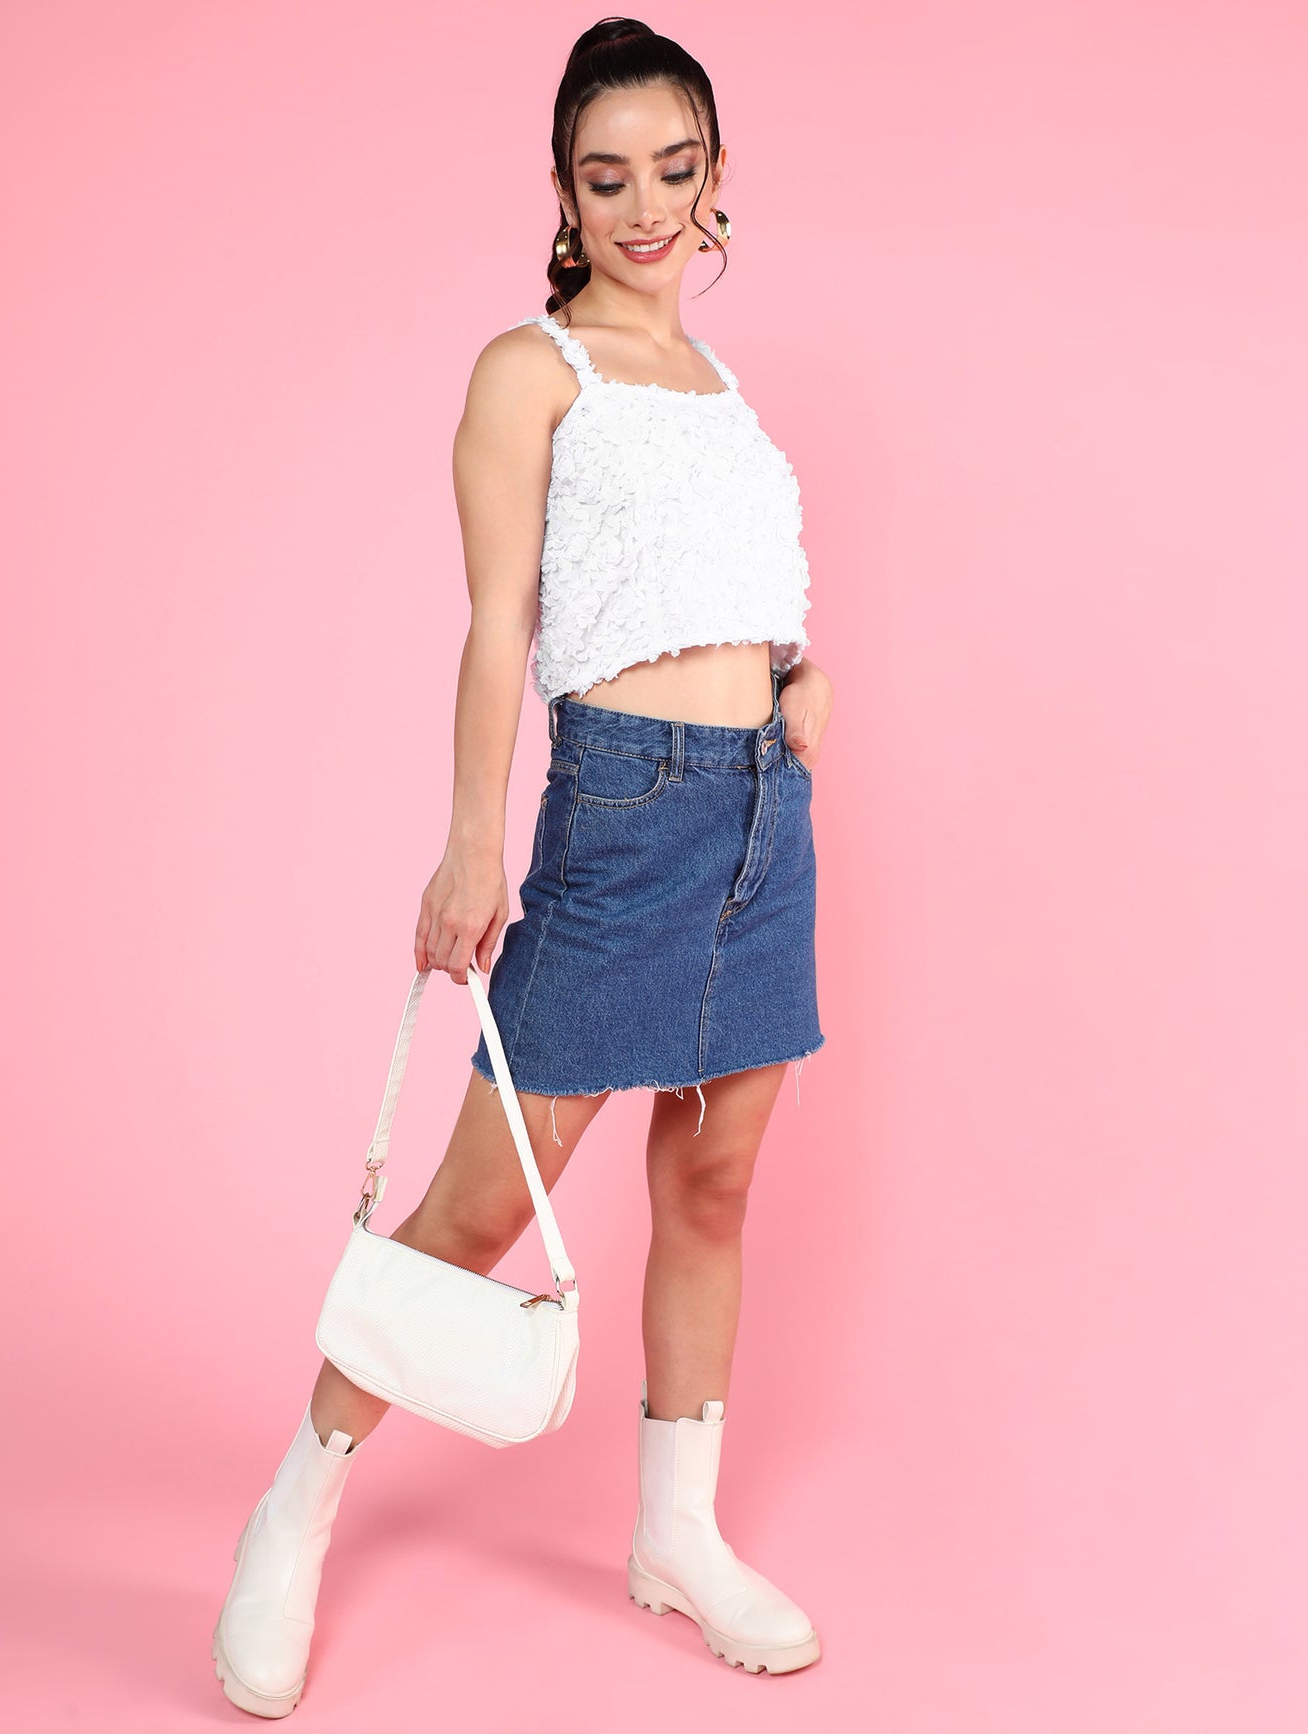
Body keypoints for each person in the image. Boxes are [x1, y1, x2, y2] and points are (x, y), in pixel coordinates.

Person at [212, 17, 833, 1716]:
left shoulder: (723, 390)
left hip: (759, 822)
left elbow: (735, 608)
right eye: (606, 173)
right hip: (620, 818)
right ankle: (295, 1502)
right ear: (563, 189)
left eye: (675, 169)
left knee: (710, 1187)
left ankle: (675, 1536)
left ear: (717, 181)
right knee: (480, 1207)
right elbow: (500, 630)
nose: (644, 205)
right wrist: (472, 842)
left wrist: (799, 686)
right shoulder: (530, 369)